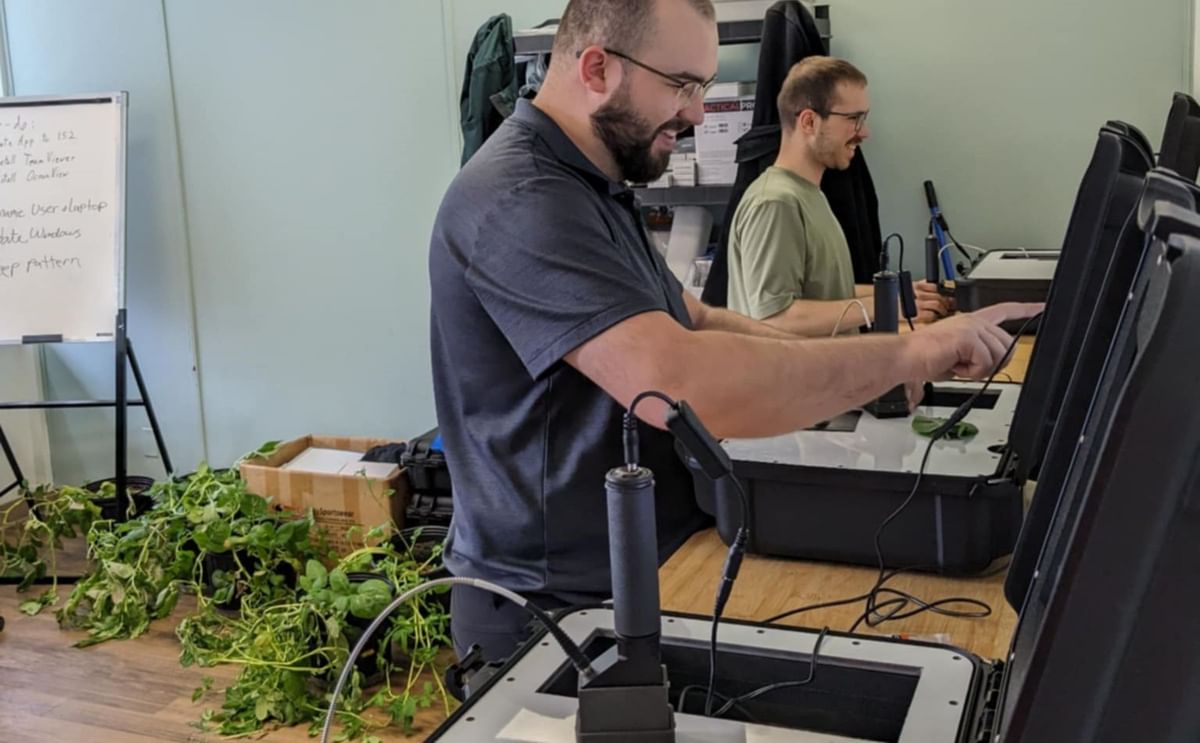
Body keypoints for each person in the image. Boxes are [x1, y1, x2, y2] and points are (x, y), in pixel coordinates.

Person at [428, 0, 1038, 664]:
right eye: (683, 84)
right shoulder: (522, 200)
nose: (697, 112)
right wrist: (908, 351)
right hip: (550, 613)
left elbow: (699, 318)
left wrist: (877, 365)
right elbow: (677, 383)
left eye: (705, 87)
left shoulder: (594, 184)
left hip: (646, 569)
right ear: (597, 67)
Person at [726, 56, 951, 336]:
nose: (864, 132)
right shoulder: (775, 202)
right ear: (809, 122)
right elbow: (776, 317)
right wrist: (885, 306)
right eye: (853, 119)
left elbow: (824, 292)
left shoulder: (808, 195)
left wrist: (901, 296)